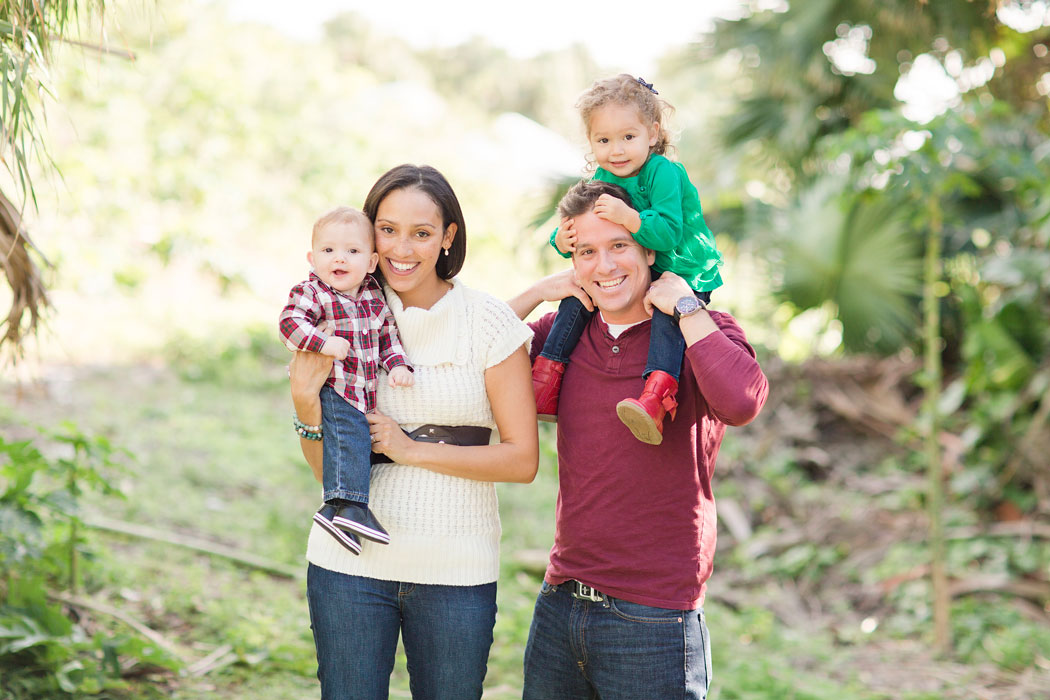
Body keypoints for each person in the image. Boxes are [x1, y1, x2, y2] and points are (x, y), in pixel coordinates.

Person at [509, 180, 768, 699]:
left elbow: (742, 401)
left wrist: (688, 308)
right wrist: (538, 291)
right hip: (562, 601)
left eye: (619, 245)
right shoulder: (564, 334)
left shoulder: (701, 329)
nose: (604, 266)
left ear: (648, 247)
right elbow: (470, 345)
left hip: (654, 617)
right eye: (587, 252)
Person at [289, 164, 539, 700]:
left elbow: (522, 461)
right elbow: (323, 471)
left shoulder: (490, 322)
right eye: (387, 229)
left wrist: (409, 449)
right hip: (347, 563)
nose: (402, 248)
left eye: (422, 233)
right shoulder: (337, 314)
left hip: (455, 570)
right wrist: (303, 401)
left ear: (448, 237)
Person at [533, 74, 725, 445]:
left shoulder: (663, 172)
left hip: (682, 269)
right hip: (640, 267)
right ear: (590, 142)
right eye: (603, 140)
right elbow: (579, 226)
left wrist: (628, 218)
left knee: (667, 314)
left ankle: (657, 395)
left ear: (652, 134)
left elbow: (668, 232)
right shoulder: (602, 177)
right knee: (578, 296)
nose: (616, 150)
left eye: (628, 137)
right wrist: (562, 239)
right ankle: (547, 375)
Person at [279, 206, 414, 555]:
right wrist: (323, 342)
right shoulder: (313, 293)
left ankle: (335, 511)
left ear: (371, 262)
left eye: (352, 252)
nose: (338, 259)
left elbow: (388, 336)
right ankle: (352, 508)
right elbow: (290, 325)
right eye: (328, 251)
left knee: (354, 443)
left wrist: (398, 365)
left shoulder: (373, 298)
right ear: (312, 257)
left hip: (362, 391)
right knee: (350, 437)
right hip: (333, 387)